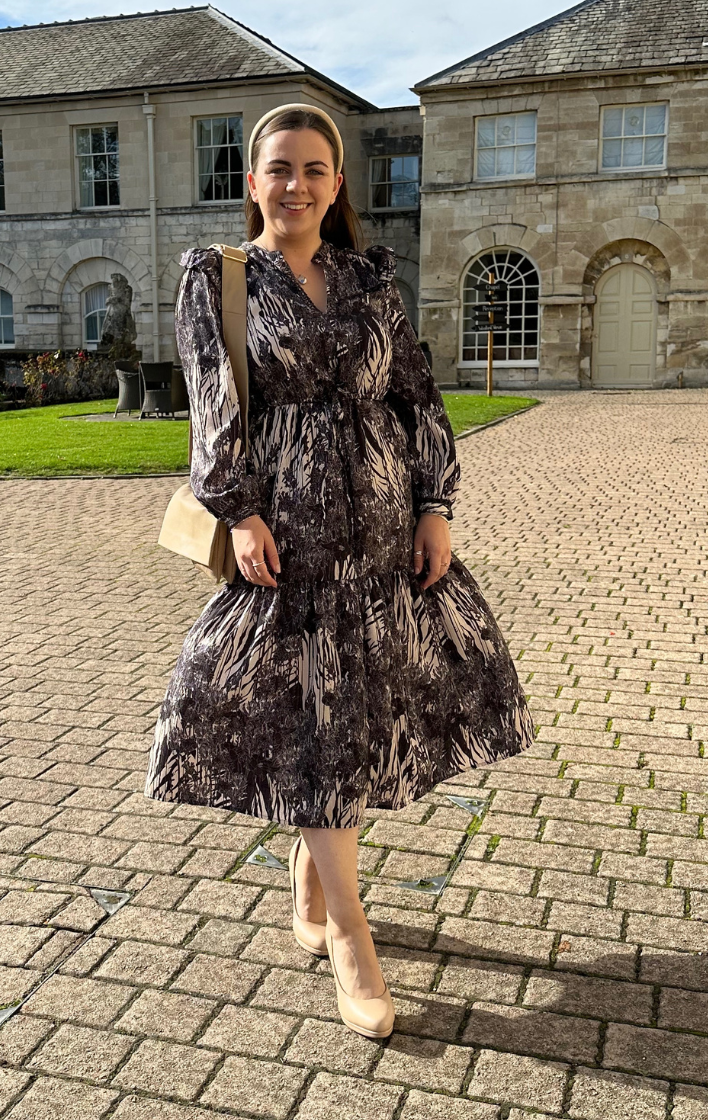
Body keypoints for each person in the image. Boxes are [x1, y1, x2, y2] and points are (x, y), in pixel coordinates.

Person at [144, 103, 535, 1039]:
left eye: (316, 169)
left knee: (356, 714)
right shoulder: (221, 277)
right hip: (285, 537)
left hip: (385, 536)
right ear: (252, 182)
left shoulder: (371, 280)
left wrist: (436, 506)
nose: (297, 185)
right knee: (301, 710)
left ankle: (314, 878)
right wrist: (237, 509)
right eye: (279, 169)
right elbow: (209, 407)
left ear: (337, 184)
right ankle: (353, 935)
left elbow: (417, 397)